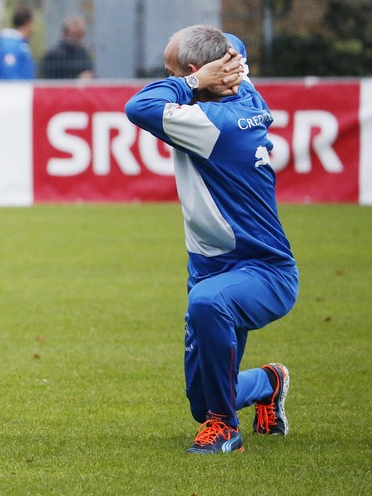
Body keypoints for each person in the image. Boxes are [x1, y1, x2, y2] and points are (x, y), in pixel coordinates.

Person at [124, 25, 298, 454]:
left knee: (208, 303)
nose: (171, 83)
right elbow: (232, 42)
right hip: (212, 270)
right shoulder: (240, 86)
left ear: (194, 71)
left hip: (264, 272)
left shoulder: (209, 122)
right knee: (200, 402)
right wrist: (215, 64)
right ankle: (267, 383)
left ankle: (225, 428)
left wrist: (191, 82)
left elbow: (138, 105)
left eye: (174, 73)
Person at [0, 5, 36, 80]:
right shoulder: (11, 46)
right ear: (27, 23)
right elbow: (9, 75)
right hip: (15, 91)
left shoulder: (19, 44)